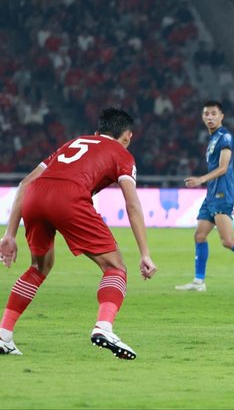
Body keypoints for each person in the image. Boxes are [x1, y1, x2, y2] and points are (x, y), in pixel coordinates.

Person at [0, 107, 157, 359]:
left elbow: (24, 183)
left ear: (98, 132)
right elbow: (132, 204)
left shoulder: (73, 143)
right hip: (69, 198)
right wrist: (145, 253)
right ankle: (104, 327)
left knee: (38, 268)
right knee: (115, 267)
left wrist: (9, 234)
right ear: (127, 137)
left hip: (35, 196)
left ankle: (3, 334)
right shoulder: (122, 154)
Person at [175, 101, 234, 293]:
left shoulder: (225, 136)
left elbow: (224, 167)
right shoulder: (213, 138)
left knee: (227, 240)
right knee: (200, 235)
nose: (209, 117)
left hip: (222, 192)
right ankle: (199, 281)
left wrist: (201, 179)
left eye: (213, 114)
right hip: (212, 193)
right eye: (206, 114)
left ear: (221, 116)